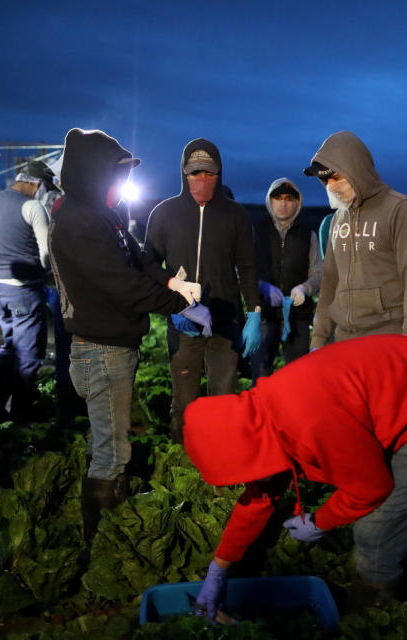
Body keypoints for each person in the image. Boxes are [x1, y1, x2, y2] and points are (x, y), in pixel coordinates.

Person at [184, 335, 407, 619]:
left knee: (376, 529)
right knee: (390, 511)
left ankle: (377, 611)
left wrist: (319, 521)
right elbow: (258, 499)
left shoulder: (311, 424)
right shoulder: (258, 419)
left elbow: (372, 488)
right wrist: (218, 570)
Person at [48, 128, 204, 541]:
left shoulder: (105, 214)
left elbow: (138, 259)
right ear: (93, 172)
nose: (121, 182)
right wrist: (178, 304)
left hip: (112, 346)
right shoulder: (78, 223)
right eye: (115, 173)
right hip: (100, 349)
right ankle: (102, 542)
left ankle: (101, 526)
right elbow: (121, 283)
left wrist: (171, 283)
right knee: (112, 451)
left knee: (108, 440)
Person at [144, 139, 263, 443]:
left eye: (209, 173)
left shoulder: (235, 215)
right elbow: (148, 266)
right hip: (183, 323)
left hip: (226, 322)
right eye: (195, 173)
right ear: (183, 174)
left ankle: (223, 459)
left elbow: (248, 268)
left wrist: (253, 315)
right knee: (184, 400)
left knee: (224, 397)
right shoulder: (164, 213)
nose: (202, 179)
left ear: (219, 173)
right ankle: (183, 458)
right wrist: (173, 300)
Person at [304, 131, 407, 349]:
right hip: (343, 340)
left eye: (336, 177)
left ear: (356, 171)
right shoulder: (337, 219)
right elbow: (330, 281)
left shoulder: (399, 209)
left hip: (389, 338)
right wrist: (318, 340)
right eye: (325, 180)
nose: (330, 187)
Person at [0, 161, 55, 422]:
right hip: (24, 289)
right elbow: (46, 254)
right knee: (29, 354)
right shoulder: (33, 206)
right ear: (39, 183)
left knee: (8, 347)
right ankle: (22, 413)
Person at [250, 178, 322, 381]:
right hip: (263, 315)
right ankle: (262, 413)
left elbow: (318, 273)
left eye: (289, 199)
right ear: (269, 201)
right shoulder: (255, 232)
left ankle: (295, 413)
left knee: (299, 376)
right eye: (278, 198)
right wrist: (261, 287)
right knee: (261, 376)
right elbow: (243, 270)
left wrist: (305, 288)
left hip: (297, 316)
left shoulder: (309, 234)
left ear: (297, 203)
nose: (283, 203)